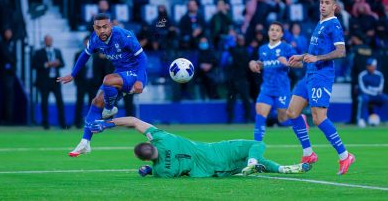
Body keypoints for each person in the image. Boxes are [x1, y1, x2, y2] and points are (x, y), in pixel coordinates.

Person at [89, 117, 312, 178]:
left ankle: (285, 169)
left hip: (215, 172)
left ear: (145, 159)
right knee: (255, 145)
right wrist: (108, 124)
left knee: (248, 160)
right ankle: (253, 163)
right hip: (216, 151)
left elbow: (178, 173)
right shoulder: (162, 137)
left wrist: (149, 172)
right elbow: (135, 121)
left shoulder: (162, 172)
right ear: (149, 143)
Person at [57, 13, 147, 157]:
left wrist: (140, 80)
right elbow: (85, 55)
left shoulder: (123, 36)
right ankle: (85, 142)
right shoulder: (94, 38)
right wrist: (73, 74)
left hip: (135, 73)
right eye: (98, 28)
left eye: (105, 27)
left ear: (111, 26)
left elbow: (142, 57)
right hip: (120, 73)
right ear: (94, 28)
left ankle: (109, 109)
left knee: (107, 80)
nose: (102, 31)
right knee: (97, 101)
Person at [287, 0, 355, 175]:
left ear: (334, 6)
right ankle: (308, 153)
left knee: (318, 118)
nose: (322, 5)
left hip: (322, 76)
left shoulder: (334, 24)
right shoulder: (320, 23)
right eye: (321, 2)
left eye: (327, 3)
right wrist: (302, 57)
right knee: (292, 112)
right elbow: (316, 49)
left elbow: (341, 51)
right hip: (309, 74)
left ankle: (344, 155)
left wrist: (317, 58)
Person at [249, 21, 306, 141]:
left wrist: (287, 62)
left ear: (281, 34)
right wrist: (254, 63)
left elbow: (300, 64)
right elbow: (261, 63)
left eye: (277, 30)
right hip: (267, 89)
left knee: (283, 119)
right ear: (268, 32)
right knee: (260, 117)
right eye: (272, 29)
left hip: (282, 89)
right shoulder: (263, 49)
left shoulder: (286, 47)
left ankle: (301, 119)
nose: (274, 32)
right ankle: (256, 148)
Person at [32, 35, 66, 130]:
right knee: (44, 102)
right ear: (44, 41)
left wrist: (57, 63)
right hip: (44, 81)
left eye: (50, 40)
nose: (49, 41)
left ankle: (63, 124)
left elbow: (63, 64)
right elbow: (34, 65)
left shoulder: (57, 51)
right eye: (47, 40)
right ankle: (45, 123)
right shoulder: (39, 52)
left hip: (55, 80)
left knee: (60, 102)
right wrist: (46, 64)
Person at [357, 58, 388, 127]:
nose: (369, 67)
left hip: (377, 95)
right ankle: (361, 120)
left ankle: (386, 119)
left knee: (386, 98)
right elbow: (363, 89)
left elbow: (380, 88)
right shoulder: (362, 75)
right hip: (366, 95)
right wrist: (373, 92)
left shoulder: (379, 75)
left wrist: (372, 90)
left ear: (375, 66)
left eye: (371, 65)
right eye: (368, 65)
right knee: (364, 99)